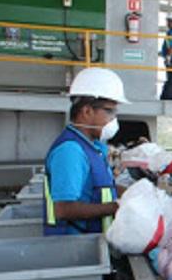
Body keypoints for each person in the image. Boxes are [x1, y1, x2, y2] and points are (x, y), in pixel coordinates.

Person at [44, 67, 128, 235]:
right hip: (74, 245)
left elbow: (101, 189)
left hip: (92, 240)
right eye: (109, 111)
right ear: (87, 111)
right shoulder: (70, 151)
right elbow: (64, 209)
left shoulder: (93, 147)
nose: (114, 120)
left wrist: (132, 194)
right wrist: (117, 207)